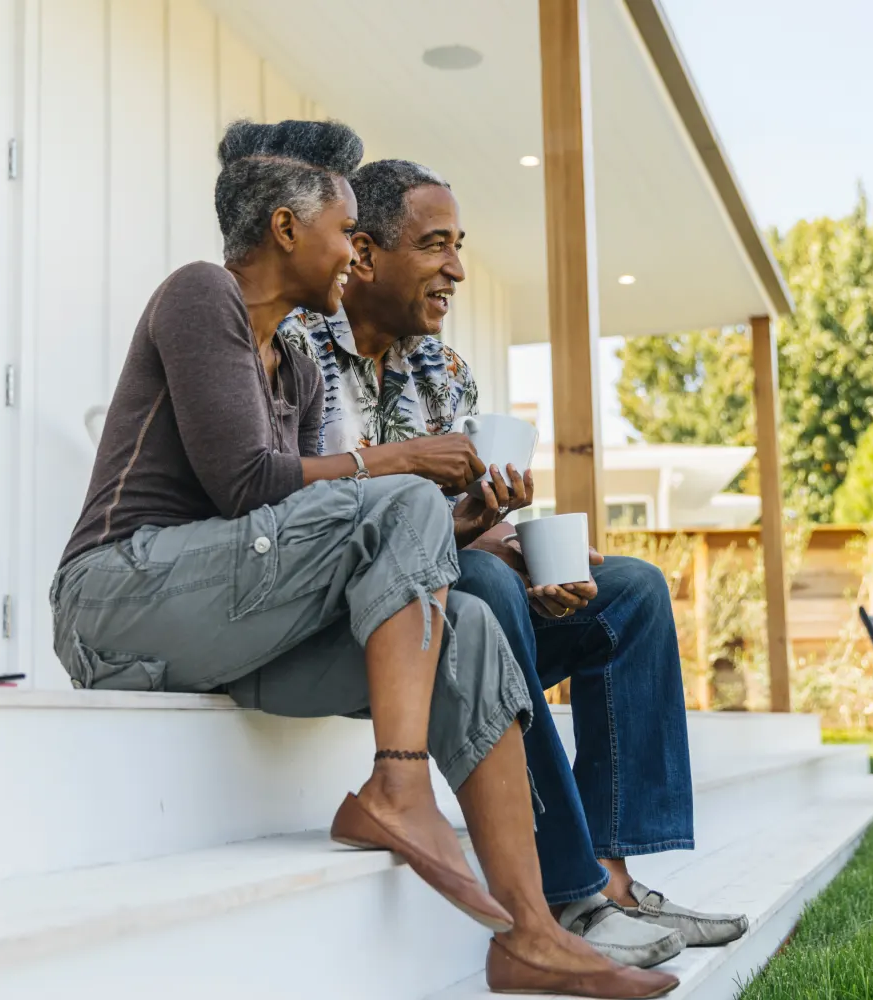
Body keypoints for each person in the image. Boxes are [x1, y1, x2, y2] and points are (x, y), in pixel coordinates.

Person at [51, 120, 677, 999]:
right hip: (117, 600)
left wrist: (456, 522)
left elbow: (326, 525)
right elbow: (246, 484)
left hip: (229, 625)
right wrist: (409, 463)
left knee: (464, 631)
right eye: (347, 232)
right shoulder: (202, 296)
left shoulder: (296, 373)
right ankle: (397, 785)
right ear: (283, 229)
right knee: (406, 496)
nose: (355, 254)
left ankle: (532, 933)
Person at [278, 158, 750, 969]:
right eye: (435, 246)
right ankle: (565, 890)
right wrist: (480, 547)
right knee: (489, 584)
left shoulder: (444, 370)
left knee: (628, 590)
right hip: (363, 624)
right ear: (363, 254)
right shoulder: (295, 349)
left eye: (459, 247)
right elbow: (298, 517)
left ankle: (613, 877)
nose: (456, 269)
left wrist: (520, 544)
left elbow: (463, 529)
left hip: (458, 594)